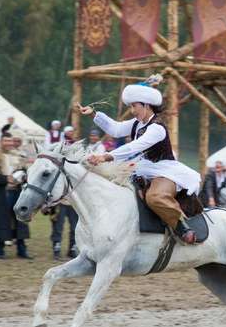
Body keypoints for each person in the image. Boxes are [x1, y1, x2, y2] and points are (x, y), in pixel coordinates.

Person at [77, 77, 202, 244]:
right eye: (131, 106)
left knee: (154, 197)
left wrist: (105, 156)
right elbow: (115, 129)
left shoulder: (157, 128)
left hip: (165, 171)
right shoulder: (137, 123)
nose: (132, 110)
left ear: (146, 105)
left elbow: (134, 146)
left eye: (134, 106)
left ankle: (182, 227)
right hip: (143, 168)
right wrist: (93, 113)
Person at [5, 135, 33, 258]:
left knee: (21, 218)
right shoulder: (4, 153)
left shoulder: (23, 155)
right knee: (5, 217)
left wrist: (24, 175)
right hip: (6, 189)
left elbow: (27, 169)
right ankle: (2, 245)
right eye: (14, 140)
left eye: (18, 141)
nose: (15, 143)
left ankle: (22, 248)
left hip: (18, 190)